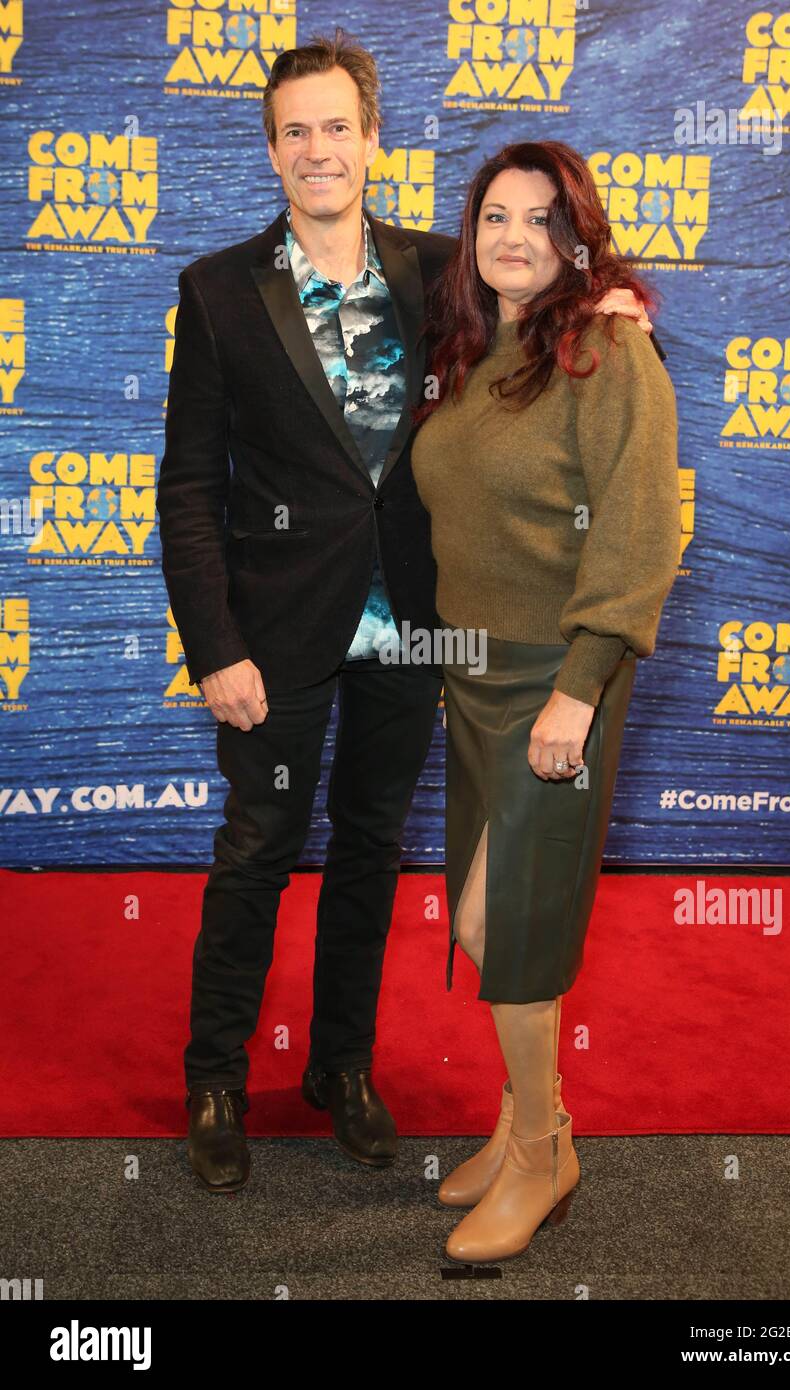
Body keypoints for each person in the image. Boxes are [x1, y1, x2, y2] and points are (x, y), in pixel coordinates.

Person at [156, 30, 657, 1195]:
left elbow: (548, 311)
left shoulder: (444, 270)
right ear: (271, 151)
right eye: (295, 132)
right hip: (273, 638)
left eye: (339, 127)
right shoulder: (219, 291)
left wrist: (613, 302)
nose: (318, 150)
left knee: (373, 848)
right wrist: (213, 645)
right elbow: (188, 488)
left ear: (375, 141)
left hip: (416, 631)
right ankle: (217, 1075)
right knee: (256, 848)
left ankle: (341, 1064)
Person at [410, 140, 681, 1263]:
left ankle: (544, 1148)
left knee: (496, 926)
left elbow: (633, 530)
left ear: (577, 238)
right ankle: (520, 1121)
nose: (513, 238)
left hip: (554, 687)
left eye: (540, 220)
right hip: (470, 682)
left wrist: (579, 688)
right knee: (491, 926)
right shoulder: (473, 351)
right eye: (492, 218)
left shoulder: (606, 352)